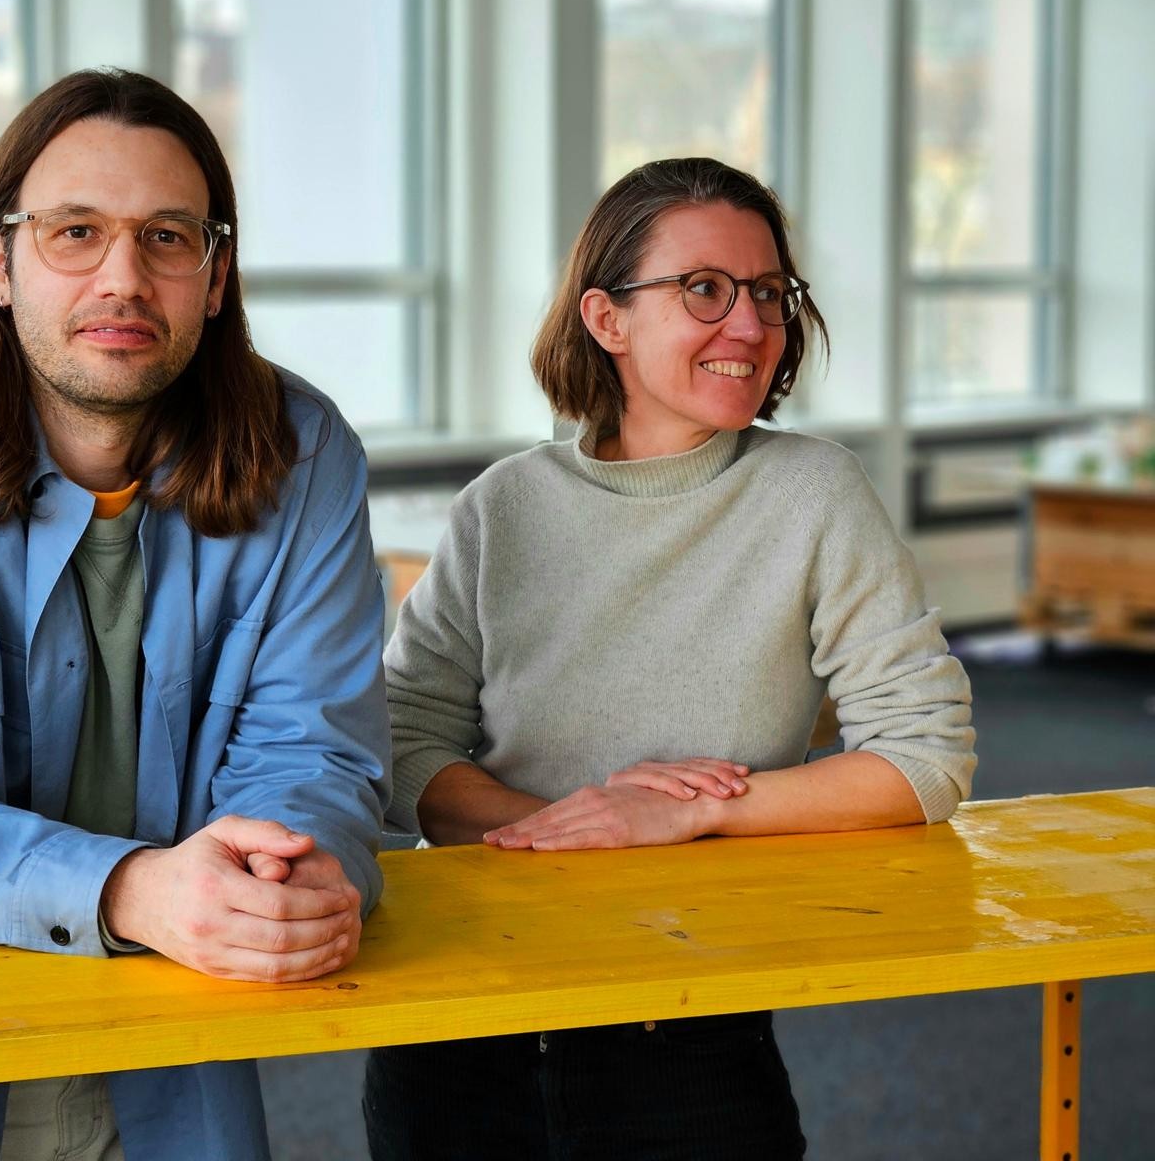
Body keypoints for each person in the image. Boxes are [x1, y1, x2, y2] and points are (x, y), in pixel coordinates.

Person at [0, 68, 390, 1161]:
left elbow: (315, 756)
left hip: (165, 1029)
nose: (123, 278)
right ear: (0, 263)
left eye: (166, 238)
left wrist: (293, 868)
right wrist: (128, 888)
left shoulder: (306, 451)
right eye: (75, 232)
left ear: (215, 272)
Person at [365, 156, 977, 1160]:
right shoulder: (503, 506)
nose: (749, 325)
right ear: (605, 319)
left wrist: (688, 815)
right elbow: (400, 742)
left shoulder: (814, 493)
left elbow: (923, 763)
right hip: (465, 1013)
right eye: (703, 290)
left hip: (688, 1027)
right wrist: (564, 829)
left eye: (768, 292)